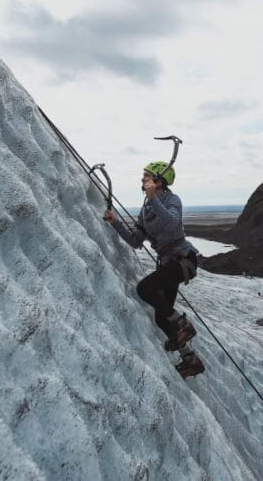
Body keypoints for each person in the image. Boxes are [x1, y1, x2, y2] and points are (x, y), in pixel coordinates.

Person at [104, 161, 204, 379]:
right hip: (170, 263)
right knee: (160, 317)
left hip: (183, 260)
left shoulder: (171, 200)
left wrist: (153, 199)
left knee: (145, 289)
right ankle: (190, 358)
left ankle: (182, 323)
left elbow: (172, 224)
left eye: (147, 177)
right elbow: (135, 241)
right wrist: (116, 223)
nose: (143, 180)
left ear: (159, 181)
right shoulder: (145, 210)